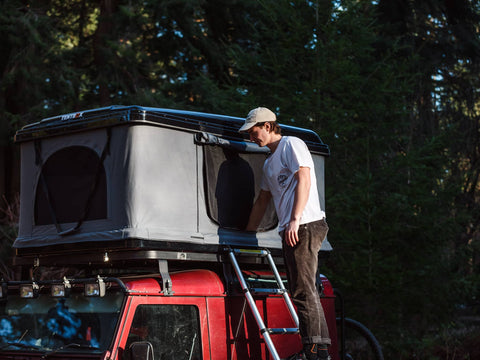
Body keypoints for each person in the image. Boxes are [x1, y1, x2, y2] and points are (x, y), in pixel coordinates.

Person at [239, 107, 331, 360]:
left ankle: (312, 350)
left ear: (268, 126)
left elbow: (304, 178)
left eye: (254, 131)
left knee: (302, 290)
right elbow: (262, 201)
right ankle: (320, 349)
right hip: (292, 228)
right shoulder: (269, 163)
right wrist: (247, 234)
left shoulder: (292, 144)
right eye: (248, 134)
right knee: (306, 288)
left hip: (305, 224)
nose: (251, 137)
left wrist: (294, 219)